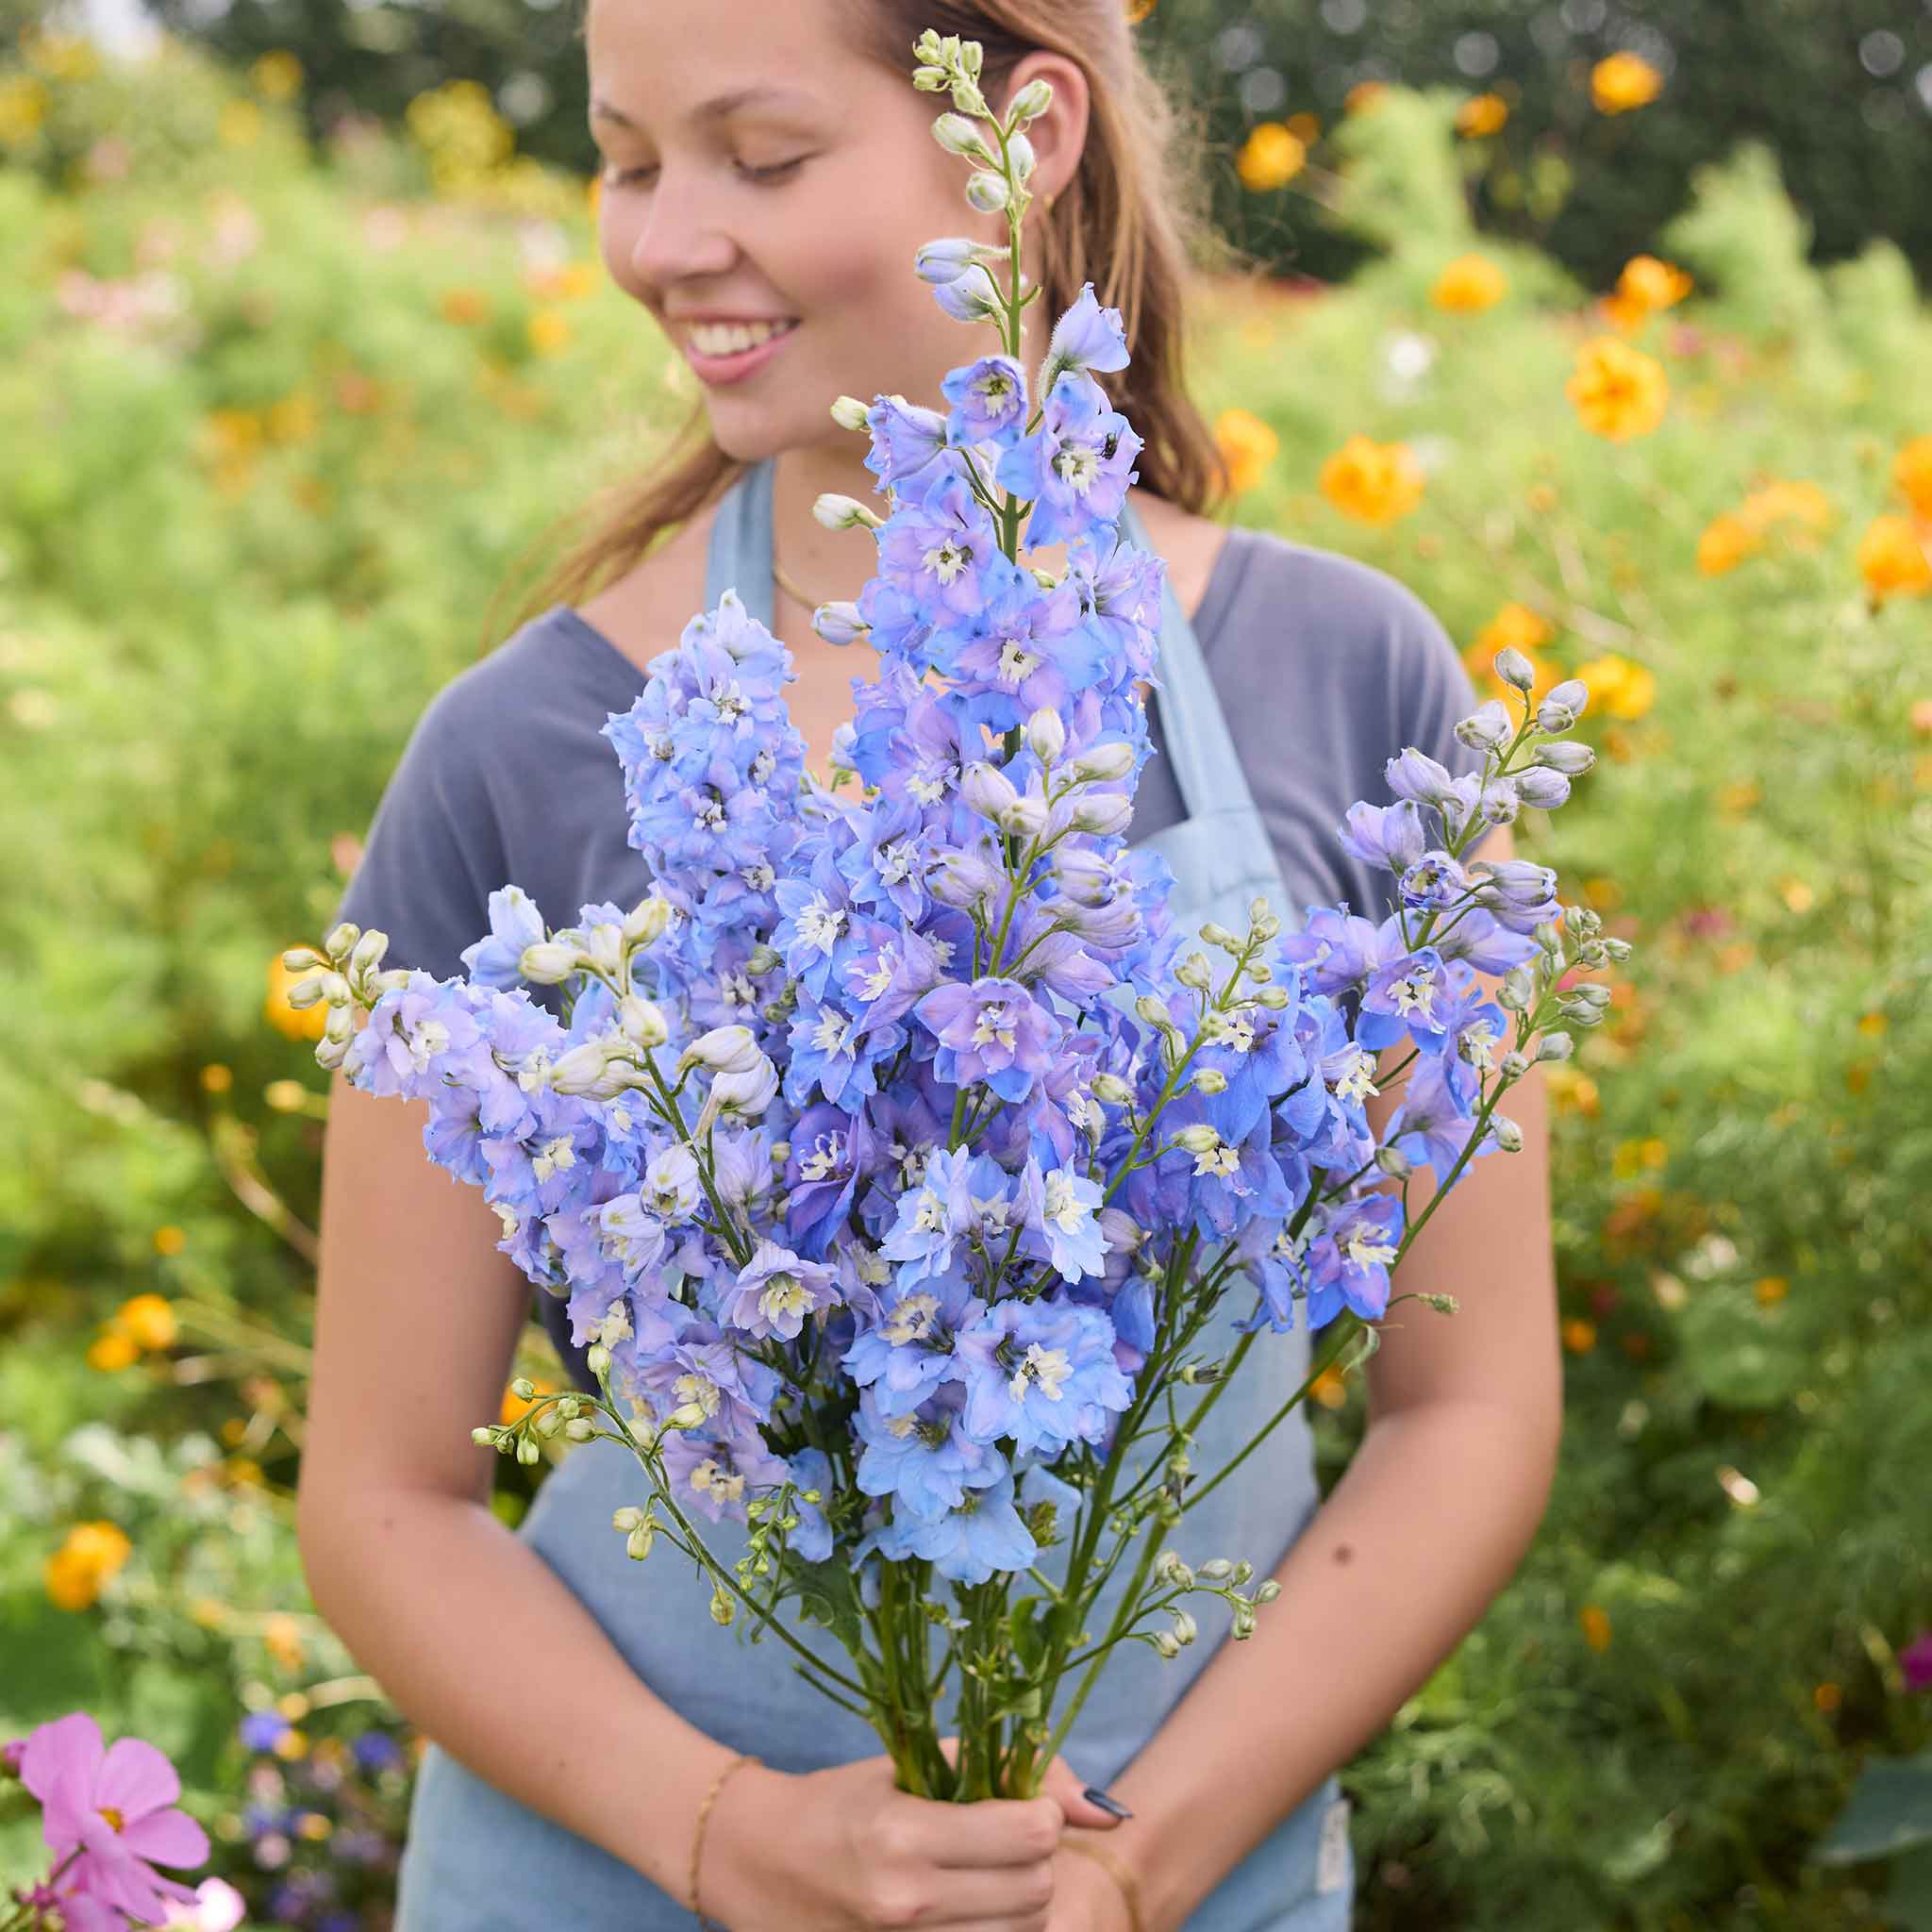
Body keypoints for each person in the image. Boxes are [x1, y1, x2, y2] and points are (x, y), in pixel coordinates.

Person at [296, 1, 1563, 1926]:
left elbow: (1467, 1404)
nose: (659, 240)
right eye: (629, 161)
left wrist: (1137, 1870)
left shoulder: (1351, 686)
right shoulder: (523, 748)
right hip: (615, 1873)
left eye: (762, 156)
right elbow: (385, 1495)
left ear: (1024, 131)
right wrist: (727, 1833)